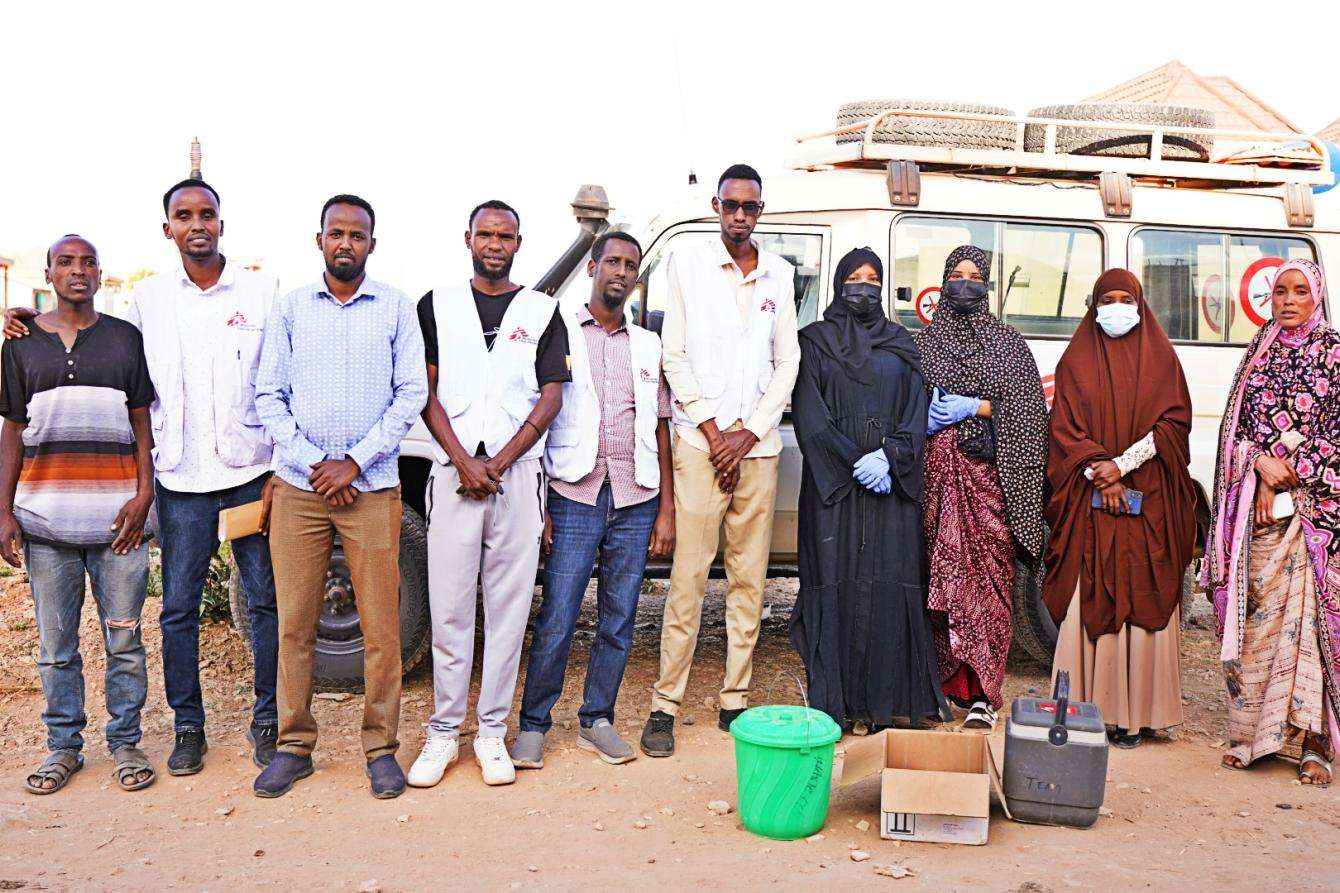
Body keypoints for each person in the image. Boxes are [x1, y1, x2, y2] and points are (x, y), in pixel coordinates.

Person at [4, 179, 283, 775]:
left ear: (221, 223)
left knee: (262, 602)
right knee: (177, 609)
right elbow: (89, 333)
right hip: (179, 479)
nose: (197, 224)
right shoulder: (146, 305)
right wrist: (26, 318)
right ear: (169, 230)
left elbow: (278, 382)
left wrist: (279, 470)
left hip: (249, 473)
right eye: (184, 216)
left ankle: (267, 721)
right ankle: (189, 728)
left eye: (206, 213)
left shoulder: (263, 294)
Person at [251, 195, 427, 800]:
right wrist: (315, 463)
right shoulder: (292, 310)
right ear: (319, 239)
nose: (346, 242)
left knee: (382, 629)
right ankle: (295, 746)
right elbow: (268, 396)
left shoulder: (397, 310)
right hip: (300, 489)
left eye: (357, 234)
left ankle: (381, 747)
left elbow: (410, 395)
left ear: (372, 244)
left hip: (371, 487)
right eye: (336, 232)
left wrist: (353, 462)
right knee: (295, 623)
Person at [641, 163, 801, 757]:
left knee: (749, 579)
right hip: (698, 444)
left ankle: (734, 697)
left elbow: (788, 363)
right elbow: (673, 356)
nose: (740, 215)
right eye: (731, 205)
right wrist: (714, 432)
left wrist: (748, 433)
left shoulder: (780, 277)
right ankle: (665, 704)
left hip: (757, 449)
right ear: (716, 206)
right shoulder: (687, 267)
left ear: (760, 210)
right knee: (687, 579)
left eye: (750, 207)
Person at [407, 200, 568, 788]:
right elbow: (423, 391)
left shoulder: (542, 311)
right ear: (468, 238)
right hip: (453, 477)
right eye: (485, 234)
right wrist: (462, 461)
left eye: (505, 235)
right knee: (449, 607)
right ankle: (444, 733)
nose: (495, 243)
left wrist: (497, 462)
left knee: (508, 611)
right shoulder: (437, 305)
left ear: (519, 243)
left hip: (516, 478)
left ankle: (492, 733)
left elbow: (550, 397)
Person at [511, 231, 675, 770]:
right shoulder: (559, 331)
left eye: (630, 265)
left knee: (620, 616)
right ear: (593, 268)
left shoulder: (648, 343)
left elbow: (660, 426)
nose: (621, 273)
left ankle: (596, 718)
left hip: (635, 496)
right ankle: (535, 723)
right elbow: (540, 412)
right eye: (612, 262)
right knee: (558, 613)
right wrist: (540, 506)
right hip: (574, 492)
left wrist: (666, 508)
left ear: (636, 277)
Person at [0, 236, 157, 794]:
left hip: (119, 525)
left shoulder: (124, 339)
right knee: (56, 647)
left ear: (99, 273)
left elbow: (142, 422)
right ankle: (63, 747)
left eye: (88, 261)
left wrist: (144, 497)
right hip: (45, 523)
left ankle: (125, 742)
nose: (78, 270)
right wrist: (4, 513)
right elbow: (12, 431)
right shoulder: (19, 345)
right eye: (66, 262)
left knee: (124, 640)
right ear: (49, 272)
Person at [789, 248, 947, 730]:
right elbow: (809, 412)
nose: (864, 286)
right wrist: (852, 461)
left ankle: (887, 705)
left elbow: (916, 409)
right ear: (839, 284)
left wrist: (892, 457)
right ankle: (837, 705)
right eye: (854, 278)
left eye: (873, 278)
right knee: (835, 581)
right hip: (834, 488)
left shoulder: (902, 342)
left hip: (889, 487)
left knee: (889, 582)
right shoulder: (813, 342)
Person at [1044, 269, 1196, 748]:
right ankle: (1094, 711)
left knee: (1144, 587)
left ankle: (1140, 716)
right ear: (1092, 305)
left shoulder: (1163, 358)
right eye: (1105, 299)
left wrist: (1123, 465)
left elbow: (1174, 423)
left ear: (1140, 303)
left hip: (1147, 499)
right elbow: (1065, 429)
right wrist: (1097, 467)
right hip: (1091, 502)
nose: (1115, 307)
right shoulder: (1075, 360)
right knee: (1091, 591)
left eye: (1124, 298)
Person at [1203, 258, 1337, 786]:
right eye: (1280, 291)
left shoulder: (1334, 354)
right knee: (1259, 626)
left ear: (1316, 296)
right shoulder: (1256, 357)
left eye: (1299, 291)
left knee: (1313, 628)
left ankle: (1315, 745)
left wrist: (1291, 465)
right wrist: (1258, 464)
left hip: (1315, 523)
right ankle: (1252, 736)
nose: (1287, 300)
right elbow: (1232, 437)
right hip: (1258, 524)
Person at [915, 245, 1048, 730]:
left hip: (988, 479)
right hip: (937, 483)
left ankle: (984, 696)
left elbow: (1031, 413)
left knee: (988, 590)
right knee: (942, 586)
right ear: (943, 280)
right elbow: (904, 407)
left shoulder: (1007, 343)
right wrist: (922, 421)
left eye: (975, 275)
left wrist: (977, 407)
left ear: (987, 284)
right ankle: (945, 688)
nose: (965, 282)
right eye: (956, 274)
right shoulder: (924, 344)